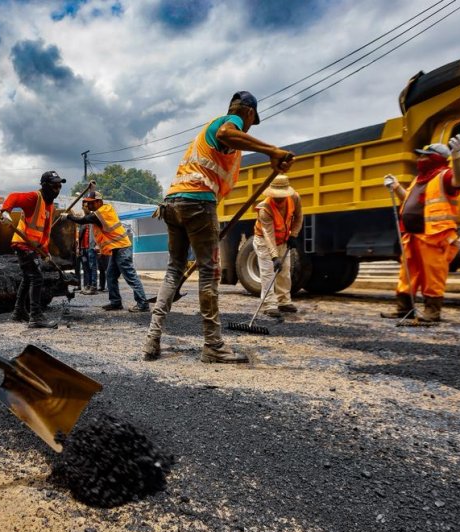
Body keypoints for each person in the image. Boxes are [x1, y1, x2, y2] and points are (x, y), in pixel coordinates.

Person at [144, 91, 293, 363]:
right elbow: (227, 133)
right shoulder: (226, 124)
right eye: (251, 121)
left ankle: (151, 340)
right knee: (209, 274)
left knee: (174, 270)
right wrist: (272, 150)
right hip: (197, 203)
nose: (248, 128)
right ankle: (213, 345)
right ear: (248, 113)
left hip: (174, 202)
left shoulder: (211, 139)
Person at [381, 135, 460, 322]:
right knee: (407, 274)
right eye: (420, 156)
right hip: (412, 235)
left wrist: (457, 156)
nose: (420, 159)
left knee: (433, 274)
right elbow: (408, 200)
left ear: (436, 158)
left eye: (424, 156)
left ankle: (432, 311)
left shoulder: (445, 175)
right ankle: (404, 309)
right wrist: (396, 187)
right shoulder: (419, 180)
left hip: (434, 235)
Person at [0, 170, 65, 329]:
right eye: (54, 186)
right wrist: (6, 211)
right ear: (45, 185)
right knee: (37, 278)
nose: (57, 190)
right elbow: (14, 197)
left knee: (28, 278)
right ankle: (35, 317)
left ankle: (18, 311)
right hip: (23, 244)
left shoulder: (49, 206)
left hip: (32, 246)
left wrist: (45, 251)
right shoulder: (35, 198)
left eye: (59, 186)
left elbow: (44, 232)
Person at [63, 192, 149, 312]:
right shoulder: (101, 211)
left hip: (122, 248)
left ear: (99, 202)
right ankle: (115, 302)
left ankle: (143, 304)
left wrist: (68, 216)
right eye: (87, 203)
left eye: (91, 203)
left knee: (130, 276)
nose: (88, 206)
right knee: (110, 275)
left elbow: (83, 220)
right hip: (117, 249)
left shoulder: (102, 212)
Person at [252, 174, 303, 318]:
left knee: (284, 271)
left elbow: (299, 217)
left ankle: (284, 302)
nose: (279, 198)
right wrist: (274, 257)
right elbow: (268, 235)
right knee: (268, 273)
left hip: (283, 240)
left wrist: (294, 235)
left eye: (281, 195)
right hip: (264, 241)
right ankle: (269, 305)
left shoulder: (294, 198)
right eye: (276, 196)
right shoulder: (265, 209)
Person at [77, 201, 100, 295]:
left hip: (91, 247)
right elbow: (80, 235)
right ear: (83, 208)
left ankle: (93, 286)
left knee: (92, 267)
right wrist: (79, 248)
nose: (87, 207)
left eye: (88, 206)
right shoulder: (83, 220)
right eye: (85, 206)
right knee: (86, 268)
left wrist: (97, 244)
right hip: (83, 248)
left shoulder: (93, 218)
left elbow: (97, 232)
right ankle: (88, 285)